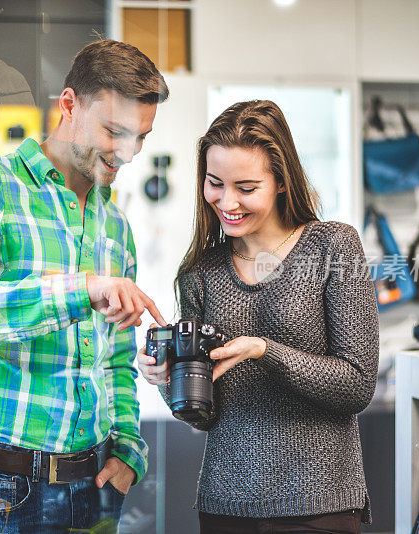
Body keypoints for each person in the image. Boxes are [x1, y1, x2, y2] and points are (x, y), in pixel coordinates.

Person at [0, 39, 169, 534]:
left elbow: (116, 358)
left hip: (93, 486)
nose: (128, 153)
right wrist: (78, 290)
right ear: (68, 105)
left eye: (140, 137)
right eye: (114, 131)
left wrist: (129, 448)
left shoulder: (115, 226)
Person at [138, 100, 379, 534]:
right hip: (226, 505)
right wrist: (170, 378)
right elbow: (203, 416)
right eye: (215, 184)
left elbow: (357, 385)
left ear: (282, 182)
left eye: (246, 188)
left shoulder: (334, 247)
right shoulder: (200, 273)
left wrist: (264, 351)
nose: (227, 201)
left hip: (319, 505)